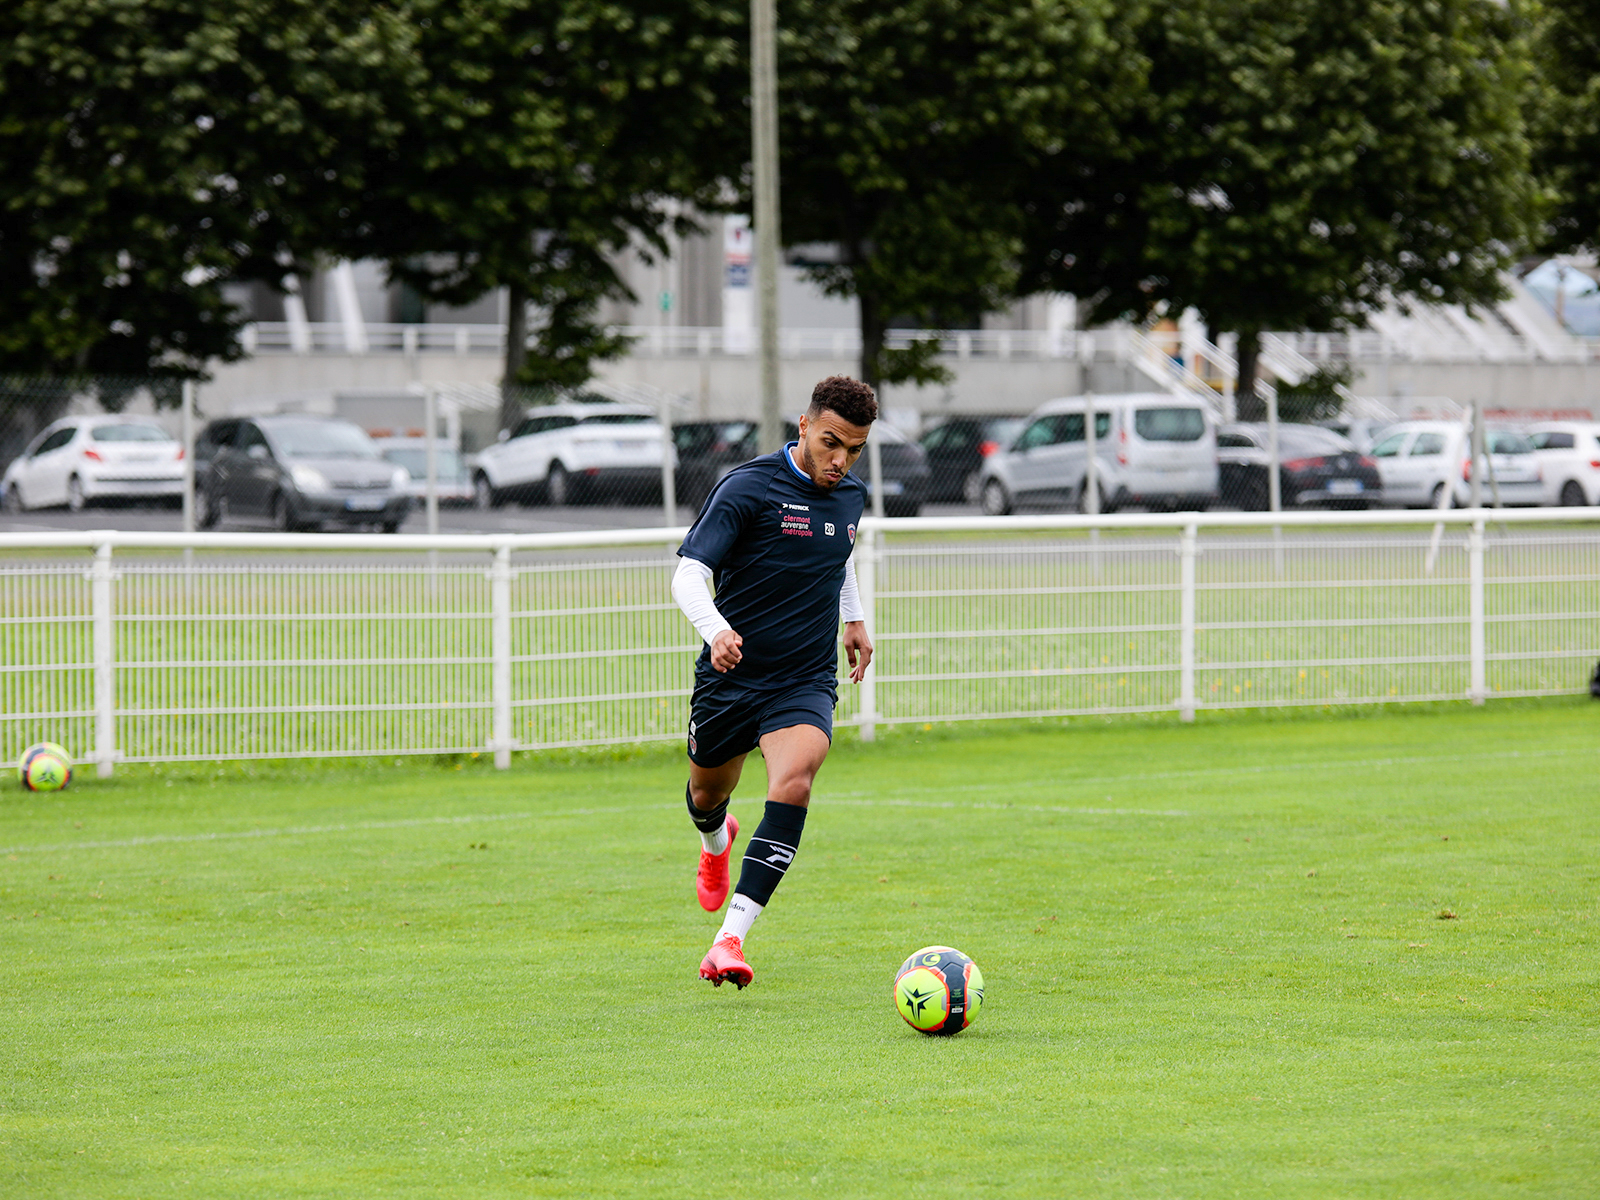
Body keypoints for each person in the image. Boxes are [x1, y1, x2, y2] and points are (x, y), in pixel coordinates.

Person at [670, 375, 878, 988]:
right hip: (731, 678)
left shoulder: (850, 496)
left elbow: (836, 557)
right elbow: (687, 575)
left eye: (856, 449)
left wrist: (854, 618)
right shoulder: (747, 488)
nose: (841, 461)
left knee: (796, 779)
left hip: (803, 678)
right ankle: (715, 842)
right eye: (832, 443)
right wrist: (716, 631)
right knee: (707, 795)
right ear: (805, 428)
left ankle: (729, 939)